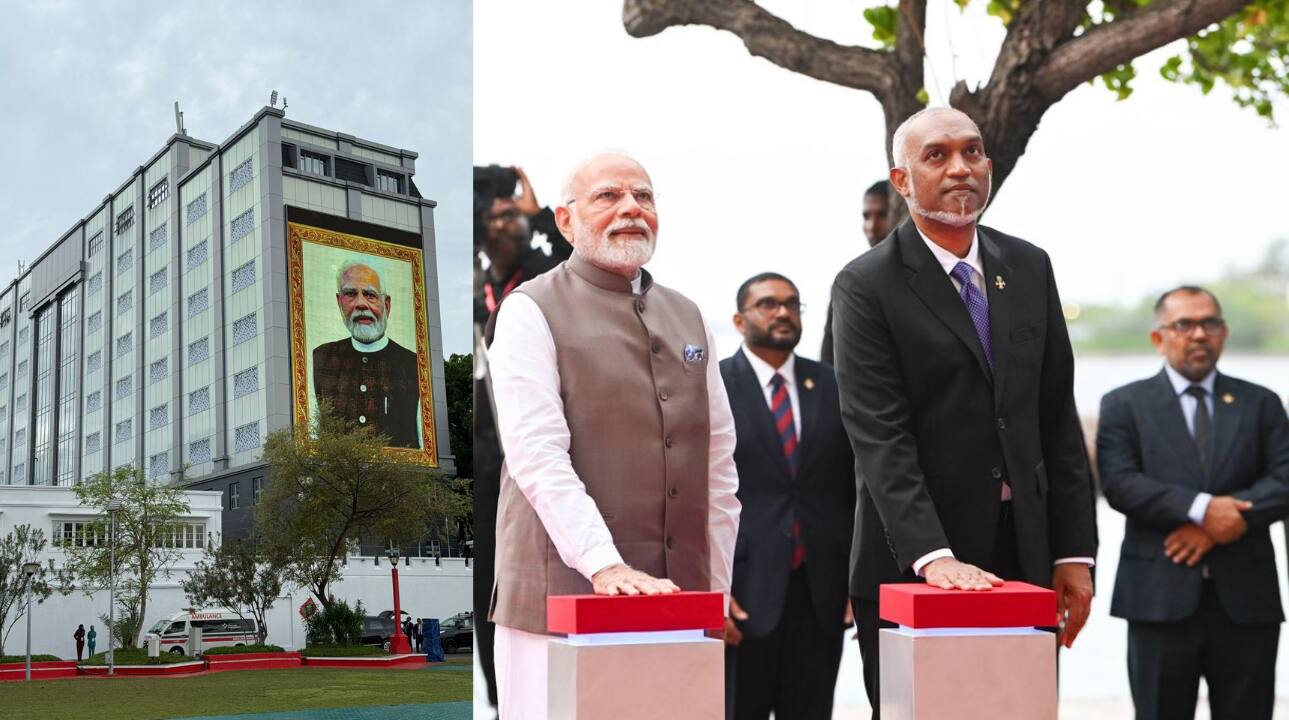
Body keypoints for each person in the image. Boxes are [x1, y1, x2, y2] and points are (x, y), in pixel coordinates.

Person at [830, 107, 1097, 716]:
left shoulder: (1029, 266)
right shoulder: (865, 285)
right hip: (916, 561)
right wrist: (936, 556)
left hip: (1025, 557)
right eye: (937, 155)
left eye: (972, 152)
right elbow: (879, 436)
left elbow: (1055, 416)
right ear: (902, 181)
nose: (960, 169)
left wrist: (1073, 553)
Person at [487, 151, 740, 718]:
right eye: (608, 196)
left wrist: (714, 593)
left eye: (643, 196)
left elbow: (718, 467)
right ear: (566, 220)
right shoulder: (530, 310)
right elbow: (536, 455)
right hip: (560, 608)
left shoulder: (689, 316)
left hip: (678, 608)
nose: (631, 208)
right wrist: (605, 566)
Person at [1097, 286, 1289, 720]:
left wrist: (1219, 522)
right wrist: (1203, 509)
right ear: (1158, 338)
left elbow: (1284, 479)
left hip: (1246, 602)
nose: (1199, 334)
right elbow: (1121, 484)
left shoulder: (1261, 403)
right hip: (1158, 600)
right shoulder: (1125, 405)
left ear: (1224, 333)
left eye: (1210, 323)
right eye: (1184, 325)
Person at [720, 272, 855, 719]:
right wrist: (711, 588)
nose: (782, 312)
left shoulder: (835, 384)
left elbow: (854, 487)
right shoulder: (713, 386)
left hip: (822, 594)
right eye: (768, 304)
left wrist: (856, 582)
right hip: (743, 593)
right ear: (740, 320)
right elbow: (697, 495)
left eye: (792, 304)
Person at [312, 262, 420, 447]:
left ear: (386, 304)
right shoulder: (320, 358)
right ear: (339, 301)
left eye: (370, 295)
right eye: (351, 294)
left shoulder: (413, 364)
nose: (361, 304)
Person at [820, 180, 893, 366]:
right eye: (866, 216)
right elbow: (830, 360)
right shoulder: (852, 282)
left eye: (882, 215)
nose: (872, 226)